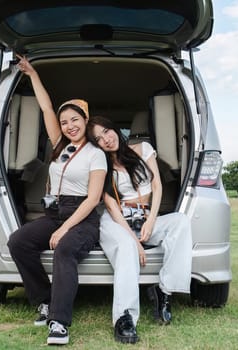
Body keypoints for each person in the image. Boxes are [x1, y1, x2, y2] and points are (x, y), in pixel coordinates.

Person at [7, 55, 107, 346]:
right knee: (18, 242)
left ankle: (59, 322)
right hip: (55, 212)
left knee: (64, 249)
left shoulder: (95, 154)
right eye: (64, 122)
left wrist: (64, 229)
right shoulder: (59, 145)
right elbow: (46, 106)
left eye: (75, 119)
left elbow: (93, 199)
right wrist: (32, 74)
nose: (69, 125)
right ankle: (45, 301)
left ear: (86, 120)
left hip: (83, 218)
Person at [87, 116, 192, 344]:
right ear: (95, 145)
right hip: (116, 220)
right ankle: (125, 318)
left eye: (107, 131)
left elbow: (156, 185)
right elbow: (112, 206)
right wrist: (135, 243)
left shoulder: (143, 149)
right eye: (98, 139)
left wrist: (151, 220)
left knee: (181, 222)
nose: (106, 139)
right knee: (126, 247)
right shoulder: (100, 165)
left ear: (114, 129)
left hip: (145, 217)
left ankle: (164, 290)